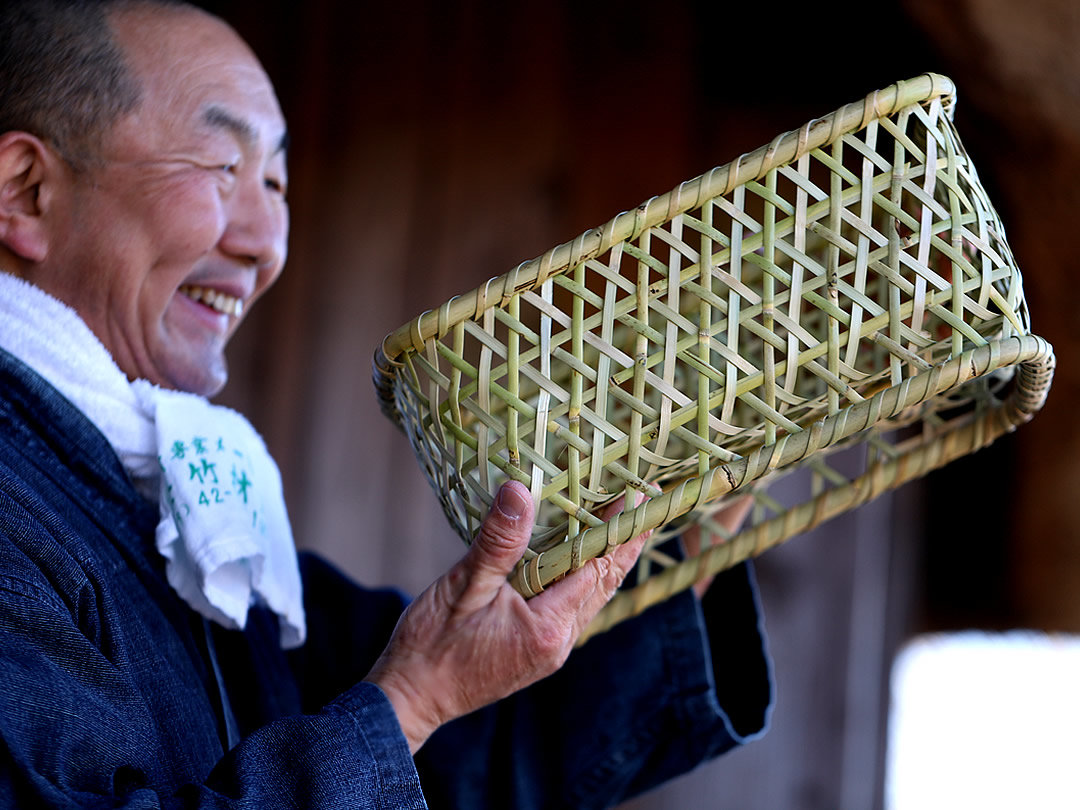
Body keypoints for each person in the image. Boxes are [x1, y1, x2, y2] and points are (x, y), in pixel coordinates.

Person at [0, 0, 772, 806]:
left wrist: (714, 472)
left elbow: (475, 757)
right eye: (221, 167)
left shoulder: (199, 523)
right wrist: (412, 702)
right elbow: (397, 716)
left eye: (276, 181)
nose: (265, 243)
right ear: (26, 191)